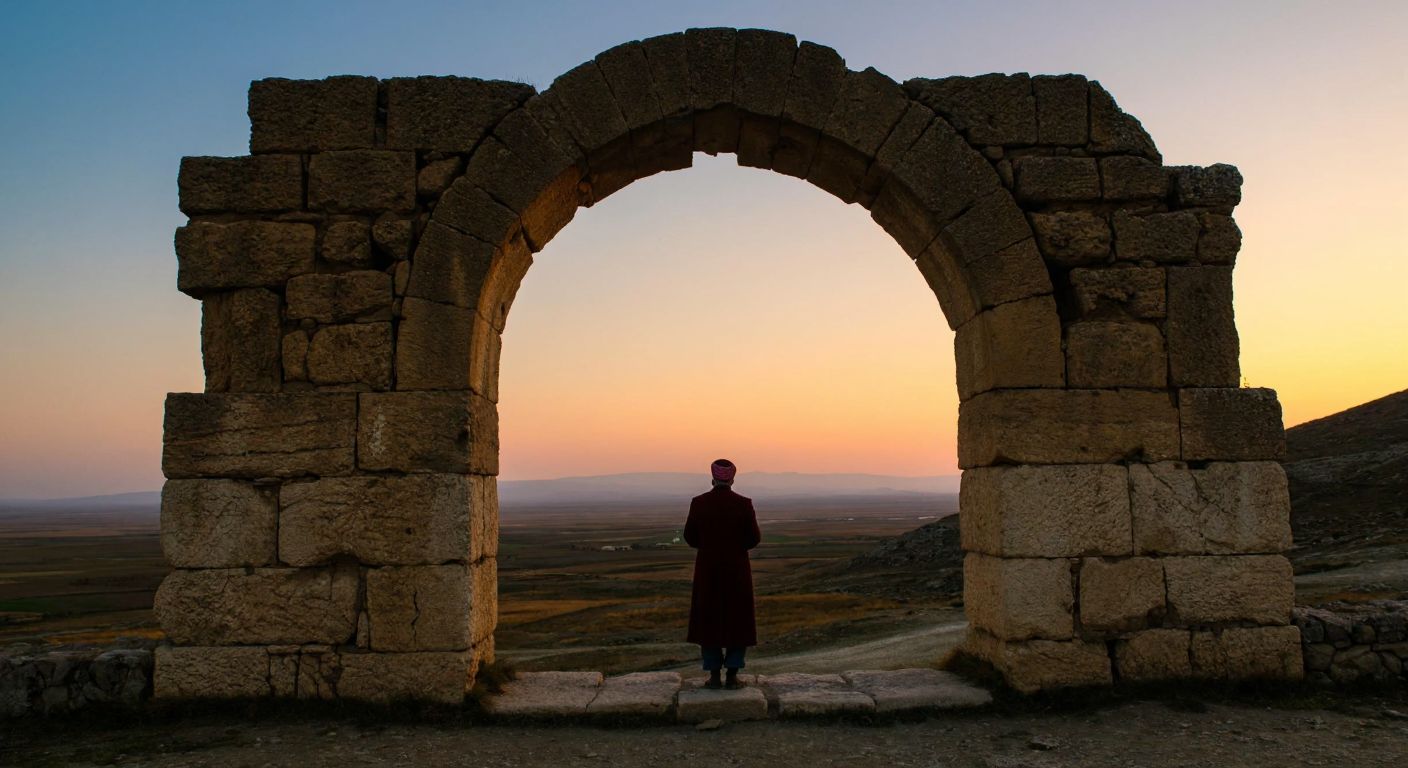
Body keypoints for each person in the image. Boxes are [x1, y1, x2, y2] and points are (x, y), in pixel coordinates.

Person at [683, 458, 762, 689]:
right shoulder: (743, 504)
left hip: (708, 570)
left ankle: (714, 676)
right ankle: (733, 676)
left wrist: (709, 547)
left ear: (712, 478)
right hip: (737, 571)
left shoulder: (698, 503)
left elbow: (690, 536)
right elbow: (754, 538)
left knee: (709, 621)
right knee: (738, 621)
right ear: (733, 479)